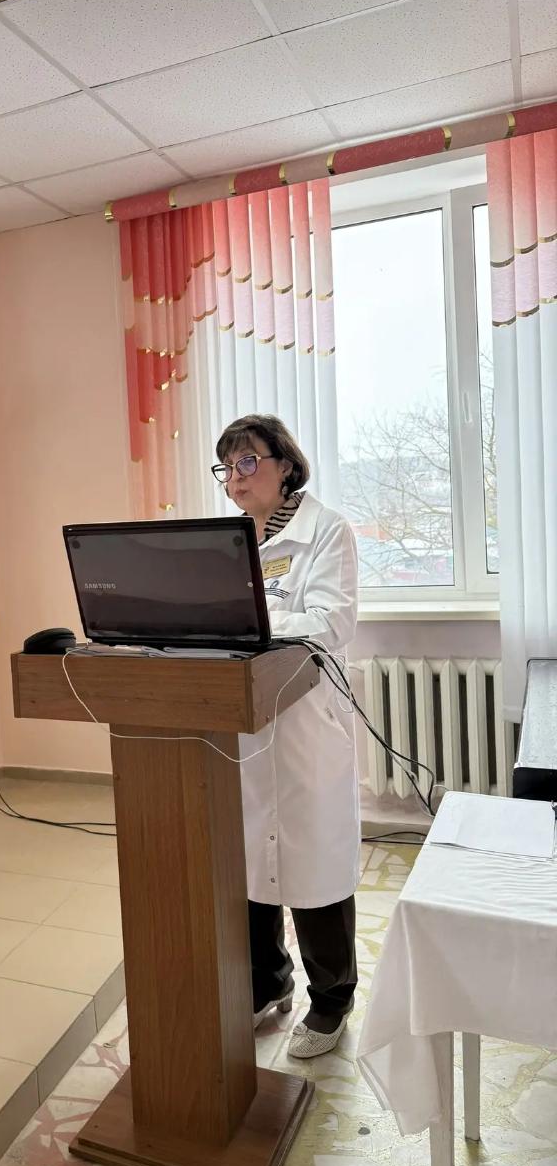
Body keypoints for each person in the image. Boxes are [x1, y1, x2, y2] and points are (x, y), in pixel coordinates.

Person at [212, 413, 360, 1059]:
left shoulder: (326, 530)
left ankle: (332, 1000)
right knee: (251, 863)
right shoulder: (227, 541)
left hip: (304, 723)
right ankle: (267, 981)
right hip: (242, 723)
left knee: (314, 863)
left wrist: (251, 616)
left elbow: (331, 621)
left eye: (247, 462)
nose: (235, 478)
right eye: (226, 467)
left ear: (286, 465)